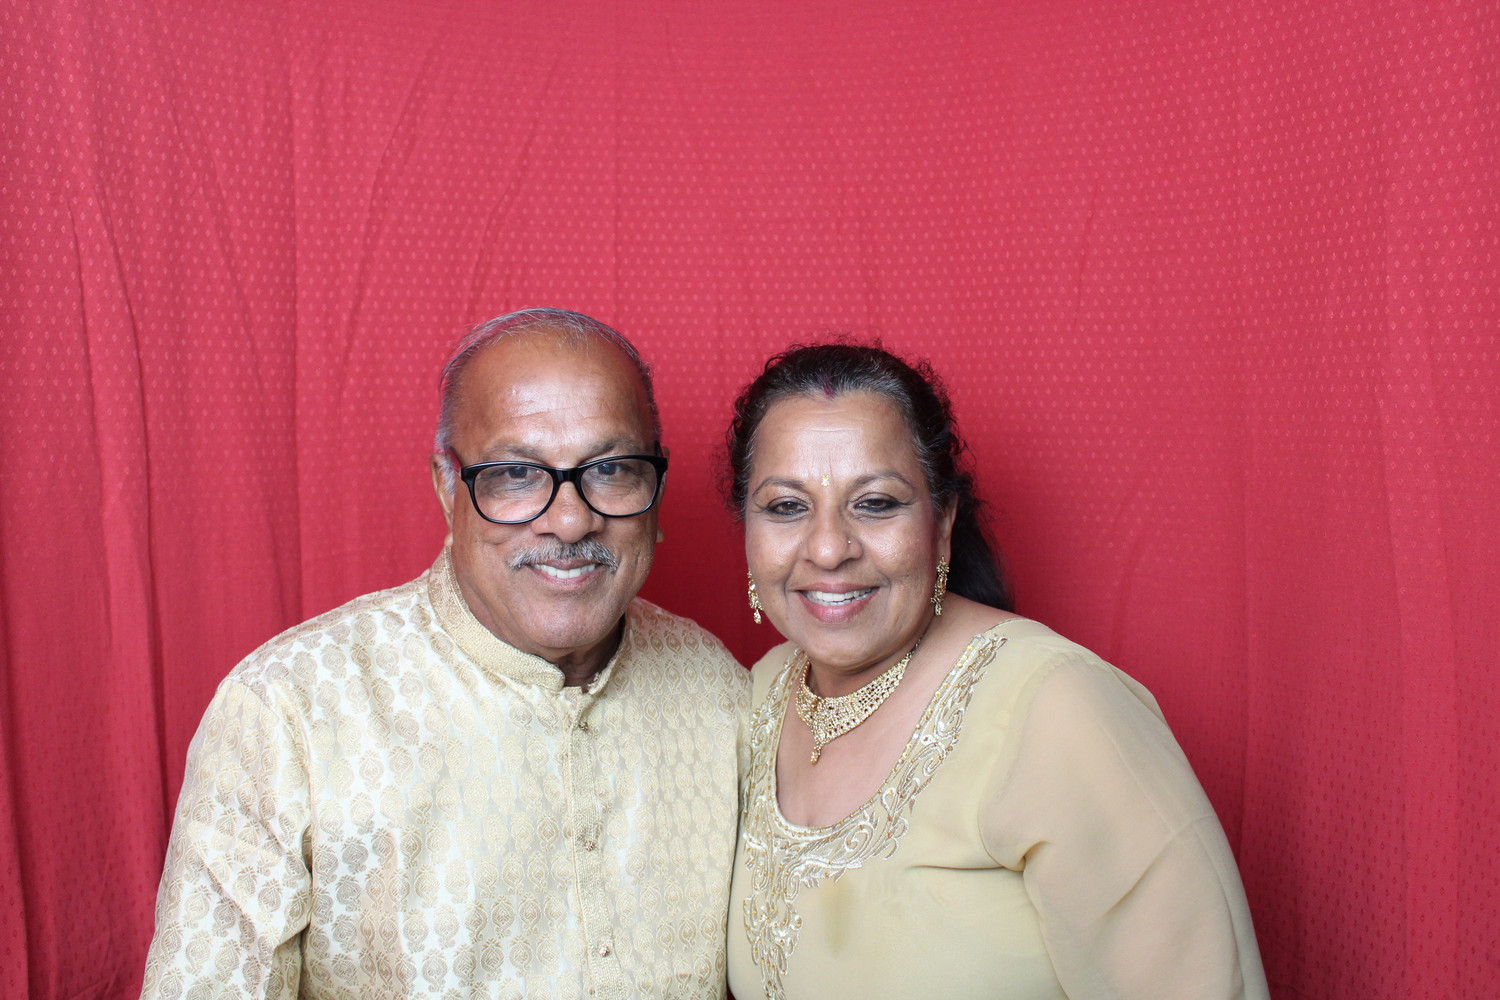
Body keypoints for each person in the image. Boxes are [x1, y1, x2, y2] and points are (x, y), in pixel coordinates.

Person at [140, 308, 750, 1000]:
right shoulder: (288, 713)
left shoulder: (722, 693)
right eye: (516, 473)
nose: (570, 520)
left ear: (657, 488)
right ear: (445, 487)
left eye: (611, 469)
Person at [722, 343, 1268, 1000]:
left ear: (942, 523)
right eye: (787, 506)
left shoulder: (1057, 707)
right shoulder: (758, 695)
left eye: (877, 503)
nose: (829, 547)